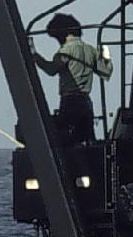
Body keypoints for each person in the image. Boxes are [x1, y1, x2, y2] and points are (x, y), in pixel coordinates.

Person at [31, 12, 113, 145]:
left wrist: (34, 55)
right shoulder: (91, 50)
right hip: (86, 104)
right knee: (88, 142)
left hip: (70, 103)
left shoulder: (66, 51)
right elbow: (106, 72)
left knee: (64, 142)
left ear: (62, 34)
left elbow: (51, 70)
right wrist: (107, 55)